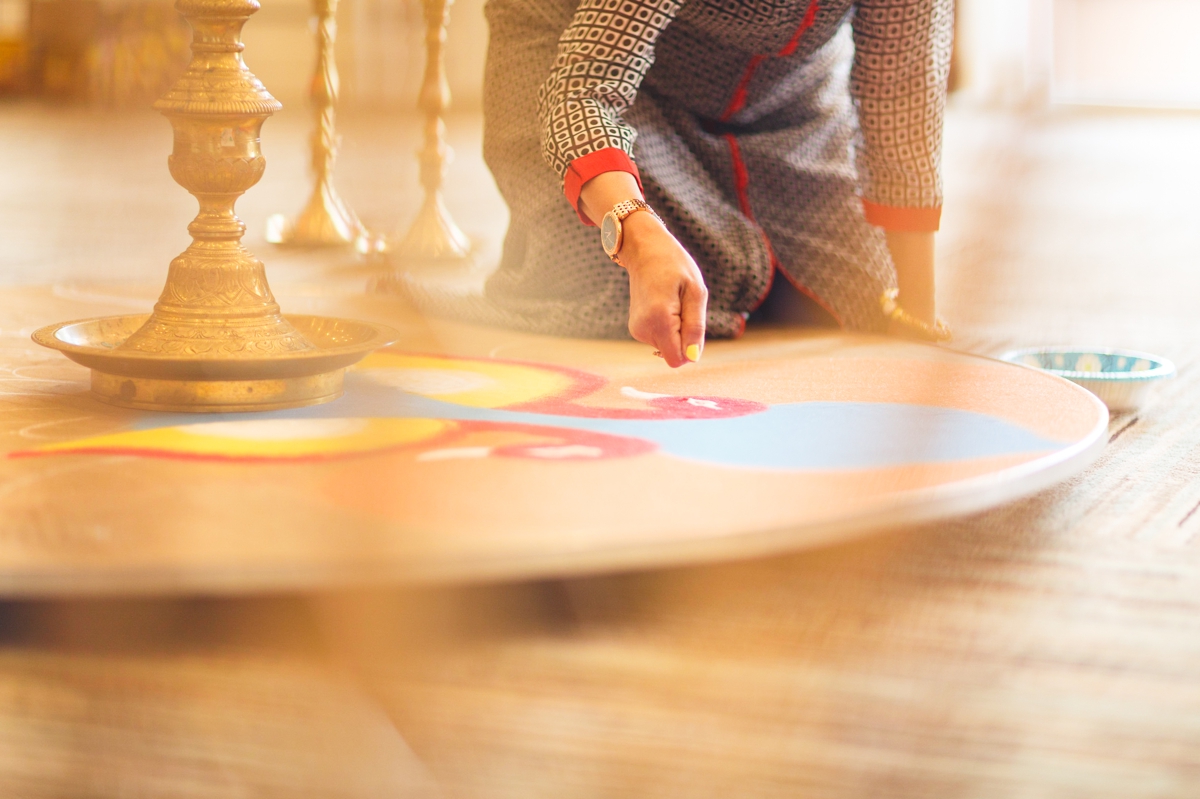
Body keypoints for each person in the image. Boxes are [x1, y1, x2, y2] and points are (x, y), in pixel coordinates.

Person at [424, 0, 952, 368]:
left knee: (852, 292)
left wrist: (917, 312)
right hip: (606, 80)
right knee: (604, 282)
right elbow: (585, 89)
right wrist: (637, 234)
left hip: (783, 113)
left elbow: (902, 96)